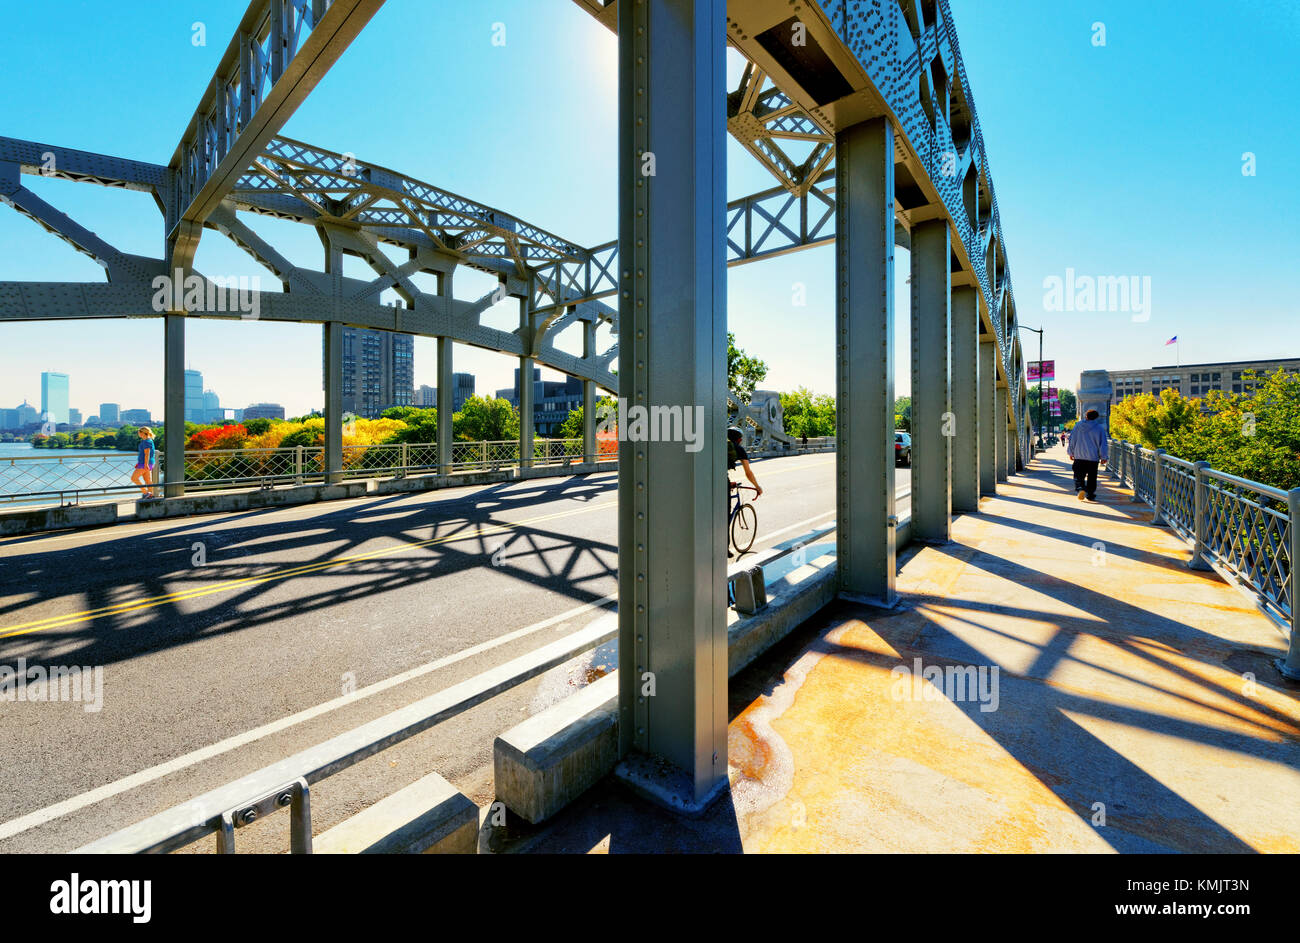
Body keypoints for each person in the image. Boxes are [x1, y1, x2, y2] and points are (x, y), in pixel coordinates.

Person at [1067, 410, 1107, 502]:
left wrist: (1071, 452)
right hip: (1093, 457)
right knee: (1092, 477)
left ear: (1086, 416)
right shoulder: (1099, 428)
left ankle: (1081, 488)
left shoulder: (1078, 426)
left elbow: (1072, 440)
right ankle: (1090, 494)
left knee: (1078, 475)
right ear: (1096, 417)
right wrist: (1103, 457)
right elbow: (1103, 444)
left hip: (1079, 456)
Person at [132, 426, 157, 500]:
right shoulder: (147, 440)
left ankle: (146, 493)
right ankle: (150, 495)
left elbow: (147, 454)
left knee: (134, 478)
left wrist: (145, 464)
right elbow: (144, 454)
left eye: (139, 432)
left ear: (143, 433)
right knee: (147, 480)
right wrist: (140, 463)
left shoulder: (146, 441)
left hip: (145, 463)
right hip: (145, 463)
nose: (138, 434)